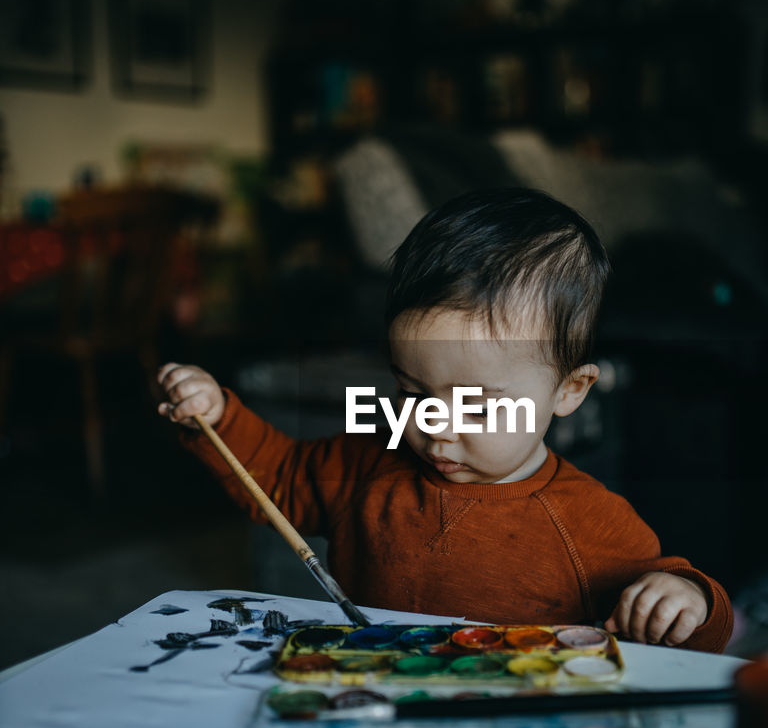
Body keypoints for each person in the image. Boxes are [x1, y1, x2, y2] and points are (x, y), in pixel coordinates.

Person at [158, 189, 731, 651]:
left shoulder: (593, 524)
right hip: (373, 701)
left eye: (478, 404)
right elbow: (276, 479)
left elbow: (679, 628)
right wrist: (217, 416)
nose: (436, 425)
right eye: (412, 391)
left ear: (569, 390)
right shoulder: (368, 459)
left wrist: (688, 600)